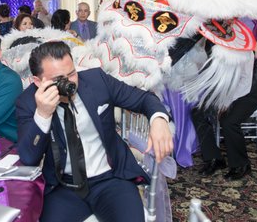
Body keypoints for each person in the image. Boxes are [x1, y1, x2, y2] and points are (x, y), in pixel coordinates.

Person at [16, 41, 173, 222]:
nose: (69, 83)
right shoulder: (27, 102)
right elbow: (28, 157)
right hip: (63, 187)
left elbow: (143, 99)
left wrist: (159, 119)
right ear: (38, 81)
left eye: (72, 73)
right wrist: (43, 115)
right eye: (59, 79)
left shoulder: (97, 80)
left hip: (111, 180)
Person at [191, 59, 257, 181]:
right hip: (224, 93)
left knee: (228, 121)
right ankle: (214, 158)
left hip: (248, 94)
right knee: (198, 113)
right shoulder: (219, 48)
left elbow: (245, 83)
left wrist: (226, 102)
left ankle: (241, 164)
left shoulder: (246, 52)